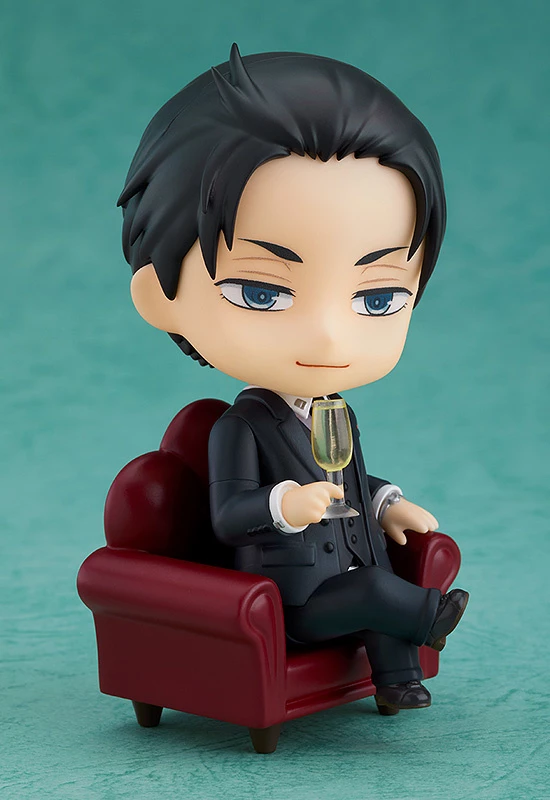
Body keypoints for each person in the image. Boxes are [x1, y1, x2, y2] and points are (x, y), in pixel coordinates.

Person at [120, 44, 469, 715]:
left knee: (373, 585)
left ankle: (398, 680)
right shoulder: (240, 428)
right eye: (261, 292)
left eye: (377, 298)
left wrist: (384, 502)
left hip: (351, 567)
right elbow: (230, 516)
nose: (329, 337)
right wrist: (287, 505)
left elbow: (347, 480)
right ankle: (430, 618)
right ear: (161, 295)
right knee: (374, 594)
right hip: (292, 598)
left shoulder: (337, 412)